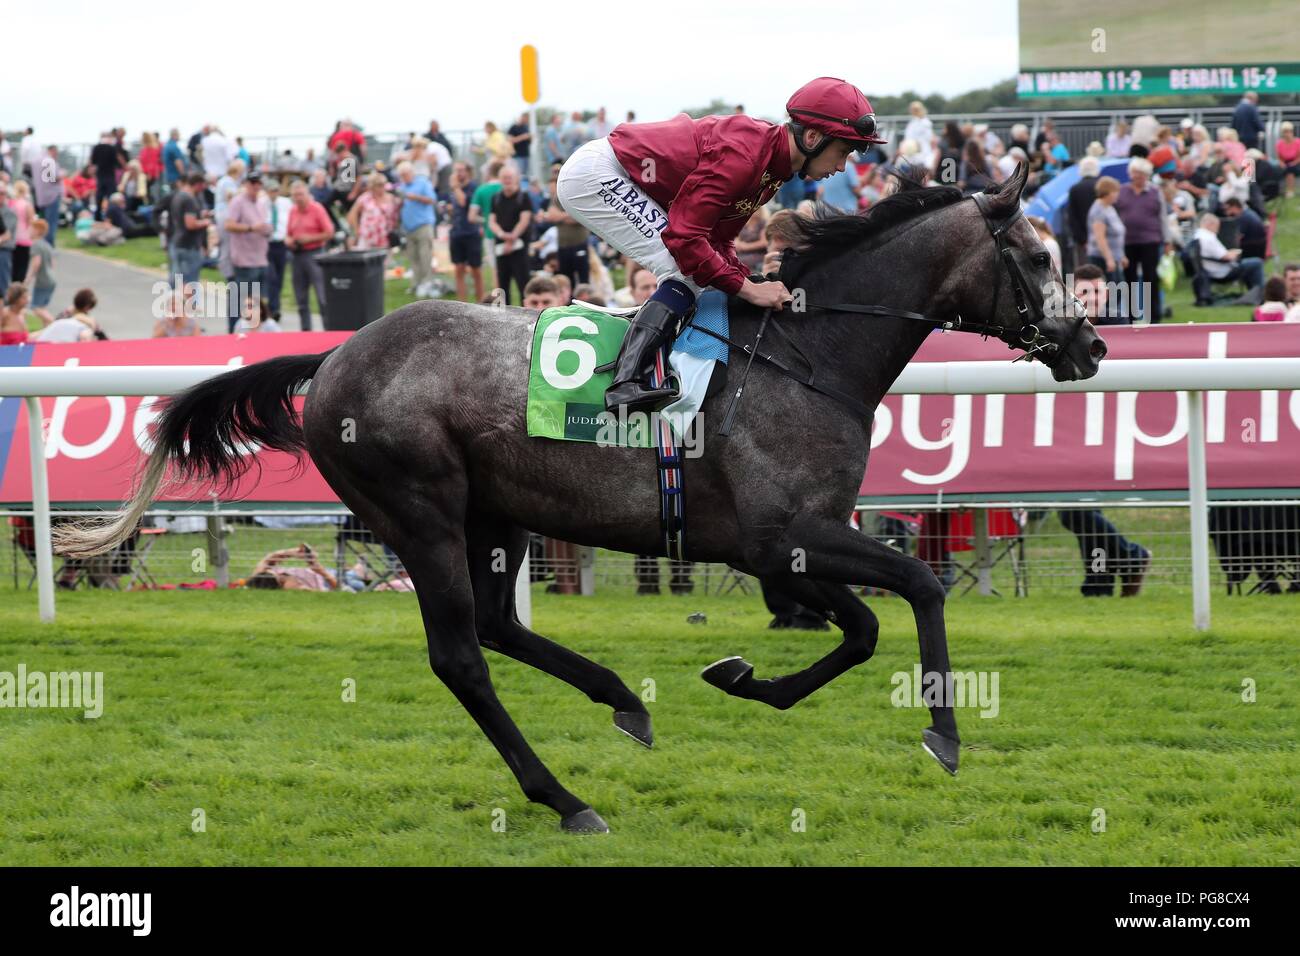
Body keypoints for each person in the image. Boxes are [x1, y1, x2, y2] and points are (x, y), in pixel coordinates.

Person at [556, 76, 884, 414]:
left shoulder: (774, 169)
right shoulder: (745, 155)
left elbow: (720, 239)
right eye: (842, 151)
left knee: (697, 272)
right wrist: (748, 289)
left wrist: (747, 279)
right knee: (682, 269)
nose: (843, 166)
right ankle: (625, 383)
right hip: (596, 174)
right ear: (813, 137)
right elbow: (685, 238)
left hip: (616, 173)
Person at [1114, 158, 1165, 323]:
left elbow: (1162, 216)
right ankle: (1131, 316)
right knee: (1129, 279)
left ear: (1147, 176)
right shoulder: (1121, 191)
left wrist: (1168, 239)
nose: (1137, 177)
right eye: (1135, 173)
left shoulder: (1155, 192)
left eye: (1141, 174)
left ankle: (1154, 316)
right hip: (1127, 242)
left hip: (1150, 240)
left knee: (1151, 278)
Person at [224, 171, 272, 332]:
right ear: (246, 184)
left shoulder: (262, 202)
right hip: (244, 260)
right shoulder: (238, 202)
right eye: (252, 183)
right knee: (240, 301)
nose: (256, 186)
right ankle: (234, 333)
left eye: (258, 183)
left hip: (260, 257)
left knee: (257, 301)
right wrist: (251, 228)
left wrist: (266, 229)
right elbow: (229, 225)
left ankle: (255, 333)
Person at [286, 180, 333, 329]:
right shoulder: (293, 210)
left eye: (300, 194)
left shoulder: (317, 209)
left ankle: (328, 329)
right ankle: (306, 331)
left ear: (307, 194)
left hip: (315, 253)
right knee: (300, 297)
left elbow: (329, 232)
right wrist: (288, 240)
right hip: (297, 255)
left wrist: (310, 238)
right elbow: (288, 233)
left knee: (322, 297)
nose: (298, 198)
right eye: (295, 195)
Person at [1193, 213, 1264, 303]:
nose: (1217, 231)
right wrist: (1236, 252)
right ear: (1210, 224)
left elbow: (1220, 254)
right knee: (1256, 262)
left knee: (1249, 264)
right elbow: (1227, 257)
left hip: (1210, 269)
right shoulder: (1208, 238)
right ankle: (1259, 295)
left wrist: (1230, 253)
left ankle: (1253, 294)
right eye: (1217, 227)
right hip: (1222, 271)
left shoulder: (1197, 236)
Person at [488, 164, 534, 305]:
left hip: (519, 246)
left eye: (509, 178)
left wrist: (512, 237)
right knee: (501, 284)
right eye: (504, 178)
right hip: (501, 247)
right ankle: (502, 316)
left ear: (516, 179)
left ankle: (526, 313)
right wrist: (502, 235)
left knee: (523, 283)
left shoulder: (524, 197)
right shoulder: (496, 198)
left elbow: (524, 220)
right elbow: (491, 221)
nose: (507, 180)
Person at [395, 161, 438, 298]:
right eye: (401, 175)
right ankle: (416, 283)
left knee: (425, 255)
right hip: (409, 227)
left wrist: (416, 197)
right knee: (413, 257)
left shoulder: (423, 183)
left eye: (405, 174)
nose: (404, 177)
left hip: (423, 225)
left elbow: (432, 200)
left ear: (411, 172)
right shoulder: (402, 187)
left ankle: (426, 283)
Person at [446, 162, 484, 302]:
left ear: (468, 171)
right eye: (456, 170)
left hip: (471, 233)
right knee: (458, 268)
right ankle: (461, 302)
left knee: (476, 270)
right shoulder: (455, 189)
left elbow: (463, 202)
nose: (458, 173)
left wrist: (455, 187)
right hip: (456, 232)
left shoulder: (473, 187)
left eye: (461, 170)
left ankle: (481, 302)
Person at [1086, 175, 1127, 290]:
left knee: (1118, 290)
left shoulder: (1109, 208)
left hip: (1114, 256)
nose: (1117, 194)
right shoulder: (1098, 210)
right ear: (1108, 192)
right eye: (1115, 191)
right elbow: (1100, 238)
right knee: (1111, 292)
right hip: (1101, 258)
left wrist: (1121, 255)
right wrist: (1109, 259)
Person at [244, 544, 338, 590]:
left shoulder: (258, 576)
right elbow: (336, 589)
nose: (280, 573)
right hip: (331, 580)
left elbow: (270, 558)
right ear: (279, 583)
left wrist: (294, 553)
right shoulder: (292, 586)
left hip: (327, 573)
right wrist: (321, 571)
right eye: (281, 577)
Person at [264, 178, 293, 320]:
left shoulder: (285, 203)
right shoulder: (262, 204)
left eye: (275, 190)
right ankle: (273, 308)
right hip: (267, 244)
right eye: (271, 191)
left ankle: (275, 305)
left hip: (281, 243)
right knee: (272, 277)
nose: (273, 193)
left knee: (279, 277)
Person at [347, 172, 397, 252]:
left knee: (383, 261)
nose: (382, 188)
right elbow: (352, 214)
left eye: (383, 185)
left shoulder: (391, 198)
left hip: (384, 236)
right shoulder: (365, 198)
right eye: (379, 185)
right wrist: (357, 230)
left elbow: (395, 216)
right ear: (373, 186)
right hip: (367, 236)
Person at [23, 219, 56, 327]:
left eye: (31, 229)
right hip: (51, 279)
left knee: (35, 307)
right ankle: (46, 331)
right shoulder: (47, 245)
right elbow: (52, 263)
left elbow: (36, 263)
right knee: (42, 307)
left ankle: (54, 323)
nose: (29, 231)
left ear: (37, 231)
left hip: (43, 280)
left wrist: (27, 280)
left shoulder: (35, 245)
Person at [34, 147, 64, 247]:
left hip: (41, 196)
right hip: (51, 196)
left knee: (44, 222)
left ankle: (42, 244)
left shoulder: (37, 160)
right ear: (52, 150)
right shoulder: (48, 161)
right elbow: (51, 178)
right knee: (50, 223)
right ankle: (48, 246)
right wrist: (61, 176)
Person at [89, 132, 122, 220]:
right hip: (109, 177)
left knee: (99, 199)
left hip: (101, 177)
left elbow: (93, 162)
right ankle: (112, 217)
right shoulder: (112, 148)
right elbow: (117, 163)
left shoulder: (97, 148)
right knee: (112, 198)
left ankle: (98, 218)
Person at [1222, 196, 1266, 261]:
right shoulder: (1247, 213)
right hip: (1258, 245)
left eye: (1228, 209)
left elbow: (1238, 238)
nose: (1226, 213)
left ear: (1234, 207)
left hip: (1253, 249)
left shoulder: (1243, 218)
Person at [0, 195, 16, 297]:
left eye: (2, 193)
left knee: (2, 283)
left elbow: (7, 234)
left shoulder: (8, 213)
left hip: (3, 250)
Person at [507, 112, 532, 178]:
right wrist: (522, 137)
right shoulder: (513, 127)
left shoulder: (526, 127)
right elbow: (510, 140)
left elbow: (529, 141)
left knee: (525, 174)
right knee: (519, 174)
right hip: (517, 155)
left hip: (525, 154)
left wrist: (530, 138)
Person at [162, 129, 187, 193]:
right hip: (177, 178)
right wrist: (183, 176)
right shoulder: (174, 147)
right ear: (175, 135)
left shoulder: (166, 146)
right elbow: (178, 162)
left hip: (170, 176)